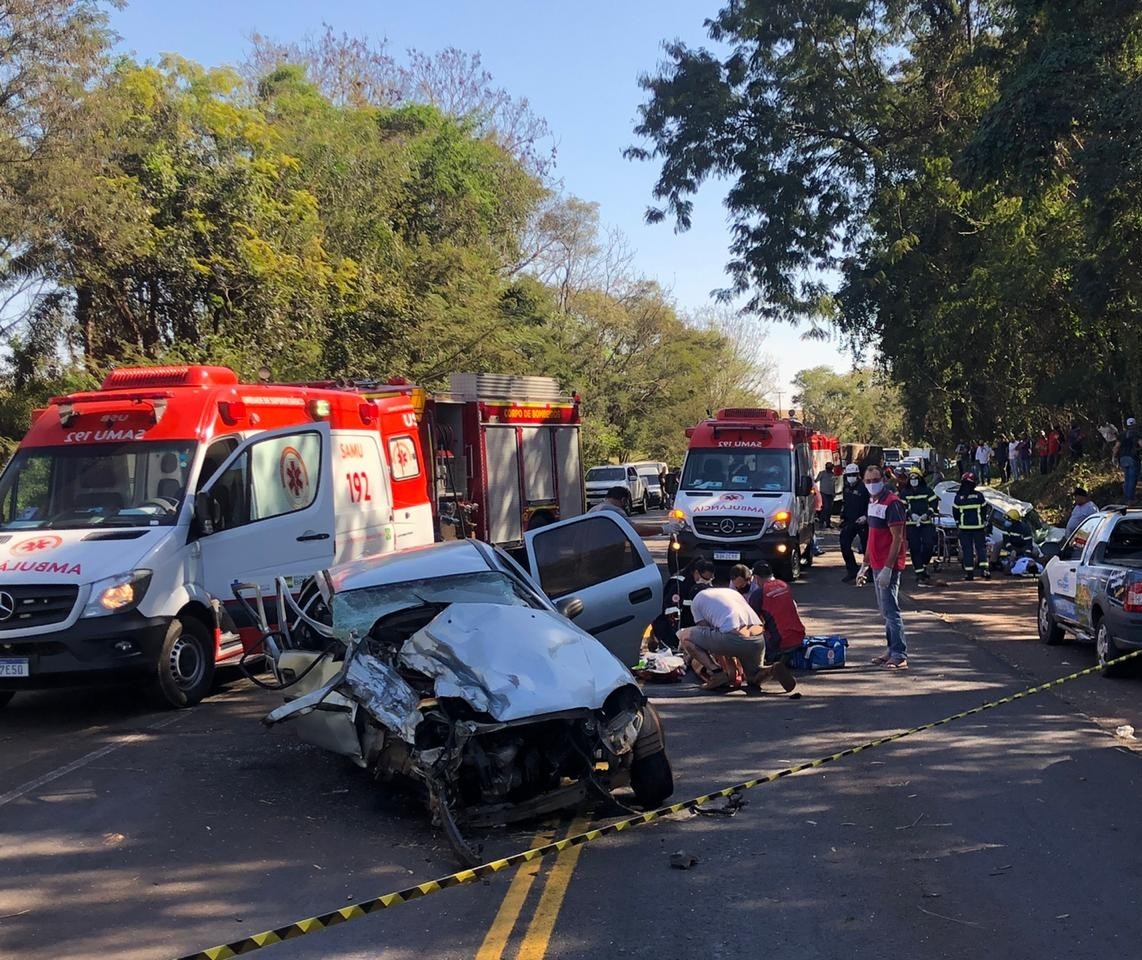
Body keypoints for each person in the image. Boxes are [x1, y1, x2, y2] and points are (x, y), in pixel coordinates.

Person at [855, 464, 908, 669]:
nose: (871, 484)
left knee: (891, 610)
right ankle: (891, 649)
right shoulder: (872, 502)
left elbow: (897, 539)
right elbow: (872, 536)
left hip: (889, 565)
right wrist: (865, 564)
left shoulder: (892, 503)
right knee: (884, 611)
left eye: (875, 480)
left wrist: (888, 568)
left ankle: (899, 653)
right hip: (876, 563)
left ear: (883, 480)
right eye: (867, 481)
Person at [677, 587, 767, 691]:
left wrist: (725, 667)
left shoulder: (697, 600)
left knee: (685, 636)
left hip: (734, 640)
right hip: (758, 640)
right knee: (753, 677)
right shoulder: (731, 592)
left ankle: (717, 674)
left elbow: (708, 634)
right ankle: (769, 670)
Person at [746, 561, 801, 696]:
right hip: (798, 636)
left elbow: (751, 621)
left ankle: (766, 669)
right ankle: (781, 660)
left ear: (757, 578)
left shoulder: (759, 594)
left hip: (780, 641)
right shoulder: (784, 585)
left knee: (751, 638)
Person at [651, 557, 714, 651]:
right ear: (696, 573)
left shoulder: (701, 585)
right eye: (705, 578)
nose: (708, 582)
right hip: (672, 628)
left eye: (710, 579)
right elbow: (671, 613)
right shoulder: (679, 585)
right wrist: (678, 635)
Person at [902, 467, 939, 583]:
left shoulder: (927, 491)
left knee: (929, 545)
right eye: (911, 478)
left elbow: (934, 504)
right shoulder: (905, 492)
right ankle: (920, 572)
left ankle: (923, 564)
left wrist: (927, 514)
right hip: (911, 524)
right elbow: (902, 506)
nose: (913, 480)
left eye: (916, 478)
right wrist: (910, 514)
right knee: (915, 547)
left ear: (920, 479)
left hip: (926, 523)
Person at [952, 472, 990, 581]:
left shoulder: (959, 498)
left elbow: (955, 513)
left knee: (967, 550)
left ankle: (969, 573)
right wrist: (983, 522)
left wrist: (958, 523)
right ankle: (984, 570)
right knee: (981, 548)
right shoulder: (979, 496)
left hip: (965, 529)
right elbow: (984, 511)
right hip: (979, 528)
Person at [839, 462, 870, 582]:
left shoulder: (864, 488)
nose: (851, 477)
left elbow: (871, 504)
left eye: (853, 474)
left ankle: (870, 572)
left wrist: (866, 516)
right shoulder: (846, 488)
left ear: (858, 475)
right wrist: (842, 517)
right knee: (844, 544)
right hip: (850, 521)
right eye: (849, 475)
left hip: (863, 521)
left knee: (867, 548)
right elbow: (845, 504)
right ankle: (852, 570)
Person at [589, 485, 659, 535]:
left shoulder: (593, 510)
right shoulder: (614, 511)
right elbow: (634, 530)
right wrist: (662, 529)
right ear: (623, 500)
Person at [1113, 418, 1141, 503]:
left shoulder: (1122, 434)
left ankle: (1125, 497)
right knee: (1132, 479)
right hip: (1133, 458)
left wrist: (1114, 457)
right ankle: (1130, 498)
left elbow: (1116, 447)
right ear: (1135, 424)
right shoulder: (1137, 434)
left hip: (1123, 458)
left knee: (1127, 478)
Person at [815, 462, 836, 529]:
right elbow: (816, 480)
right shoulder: (822, 473)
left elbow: (833, 485)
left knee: (829, 509)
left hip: (831, 494)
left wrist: (834, 493)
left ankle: (827, 524)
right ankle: (821, 523)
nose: (830, 469)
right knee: (825, 508)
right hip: (824, 493)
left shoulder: (833, 475)